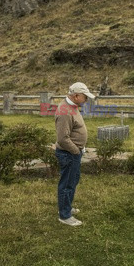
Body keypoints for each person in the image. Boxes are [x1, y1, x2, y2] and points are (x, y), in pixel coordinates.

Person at [55, 82, 95, 226]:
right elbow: (62, 138)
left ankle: (67, 208)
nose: (86, 100)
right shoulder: (65, 111)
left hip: (73, 153)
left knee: (72, 181)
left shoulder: (72, 107)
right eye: (85, 97)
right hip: (69, 153)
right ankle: (64, 216)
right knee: (67, 184)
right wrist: (76, 150)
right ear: (76, 95)